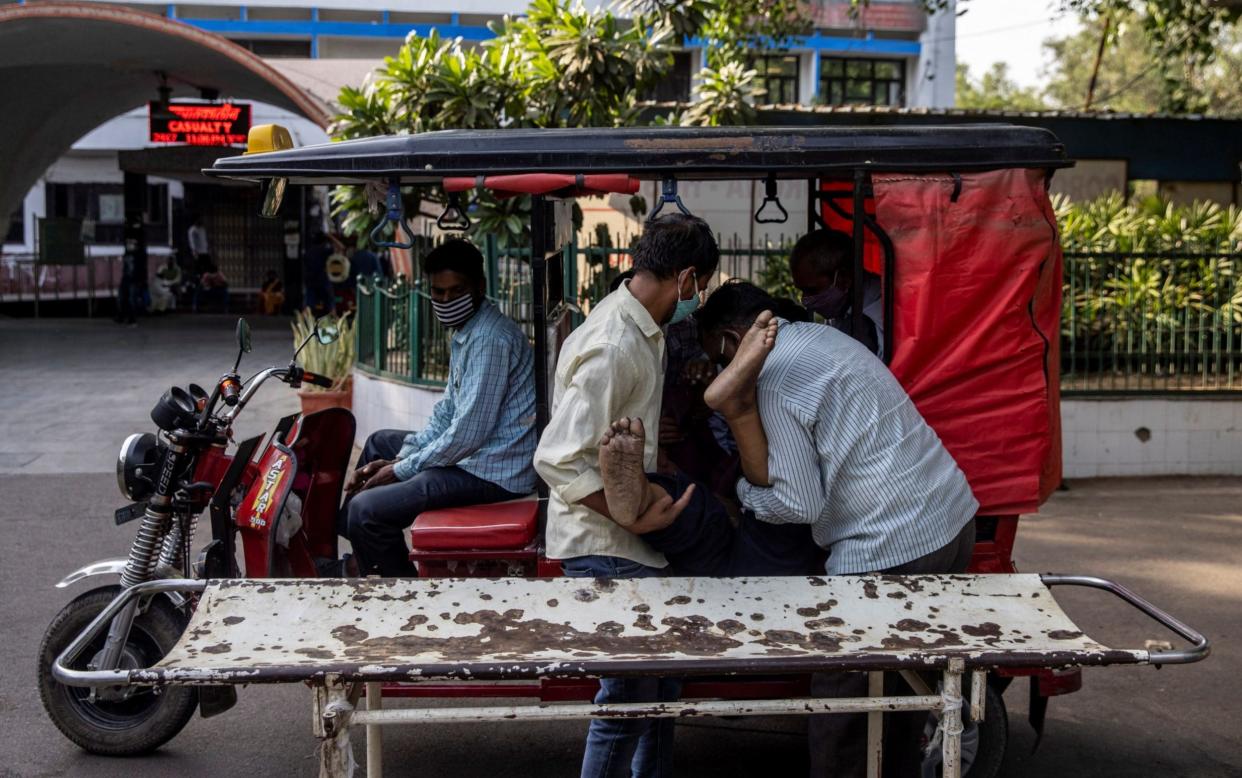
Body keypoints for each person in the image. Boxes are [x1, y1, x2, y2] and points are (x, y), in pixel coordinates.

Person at [692, 280, 978, 778]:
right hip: (950, 522)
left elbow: (797, 503)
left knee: (840, 710)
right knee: (902, 691)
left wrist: (741, 495)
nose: (717, 369)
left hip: (891, 546)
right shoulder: (822, 337)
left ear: (734, 342)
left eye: (717, 357)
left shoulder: (774, 377)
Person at [533, 213, 720, 778]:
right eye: (701, 287)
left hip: (626, 537)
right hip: (604, 542)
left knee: (658, 690)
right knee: (628, 698)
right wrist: (631, 518)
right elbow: (558, 456)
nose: (698, 298)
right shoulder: (616, 344)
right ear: (686, 278)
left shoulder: (641, 330)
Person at [340, 239, 537, 578]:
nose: (445, 300)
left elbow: (467, 434)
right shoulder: (468, 331)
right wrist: (402, 459)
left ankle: (403, 593)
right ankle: (361, 553)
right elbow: (447, 411)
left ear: (479, 287)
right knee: (378, 443)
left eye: (455, 291)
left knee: (366, 510)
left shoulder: (490, 340)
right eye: (438, 292)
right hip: (479, 455)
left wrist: (400, 470)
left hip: (496, 471)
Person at [789, 228, 884, 358]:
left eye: (812, 290)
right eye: (802, 291)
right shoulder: (845, 307)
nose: (806, 301)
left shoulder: (869, 319)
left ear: (843, 278)